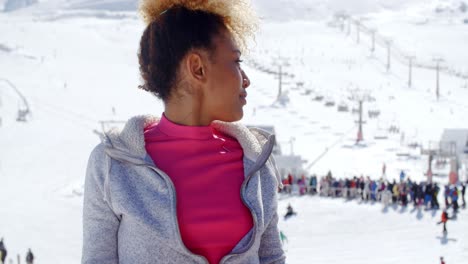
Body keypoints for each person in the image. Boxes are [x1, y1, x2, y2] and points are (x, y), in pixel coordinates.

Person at [81, 1, 285, 264]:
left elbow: (272, 259)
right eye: (236, 61)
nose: (246, 79)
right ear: (197, 68)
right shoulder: (113, 164)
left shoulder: (257, 161)